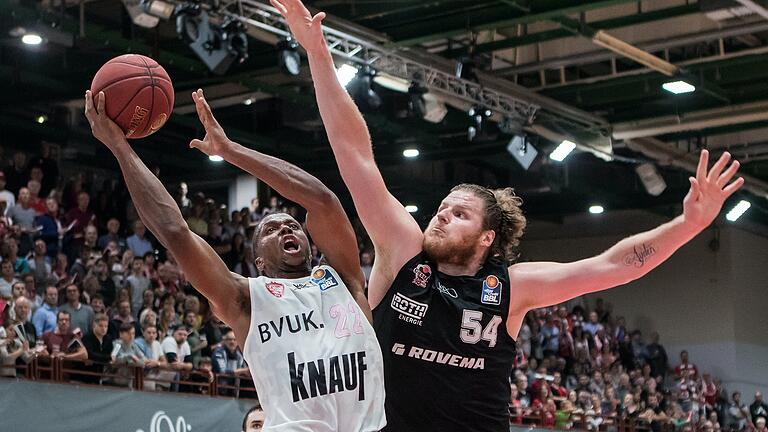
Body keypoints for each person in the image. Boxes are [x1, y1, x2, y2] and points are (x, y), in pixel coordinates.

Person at [274, 0, 745, 430]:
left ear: (486, 237)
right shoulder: (402, 252)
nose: (440, 217)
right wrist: (318, 54)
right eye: (442, 209)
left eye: (458, 214)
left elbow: (613, 266)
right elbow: (357, 157)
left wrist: (688, 226)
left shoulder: (513, 288)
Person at [85, 84, 385, 430]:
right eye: (271, 230)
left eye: (292, 225)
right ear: (258, 262)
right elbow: (174, 231)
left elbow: (323, 201)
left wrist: (230, 150)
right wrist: (119, 147)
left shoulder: (343, 279)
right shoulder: (246, 298)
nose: (287, 229)